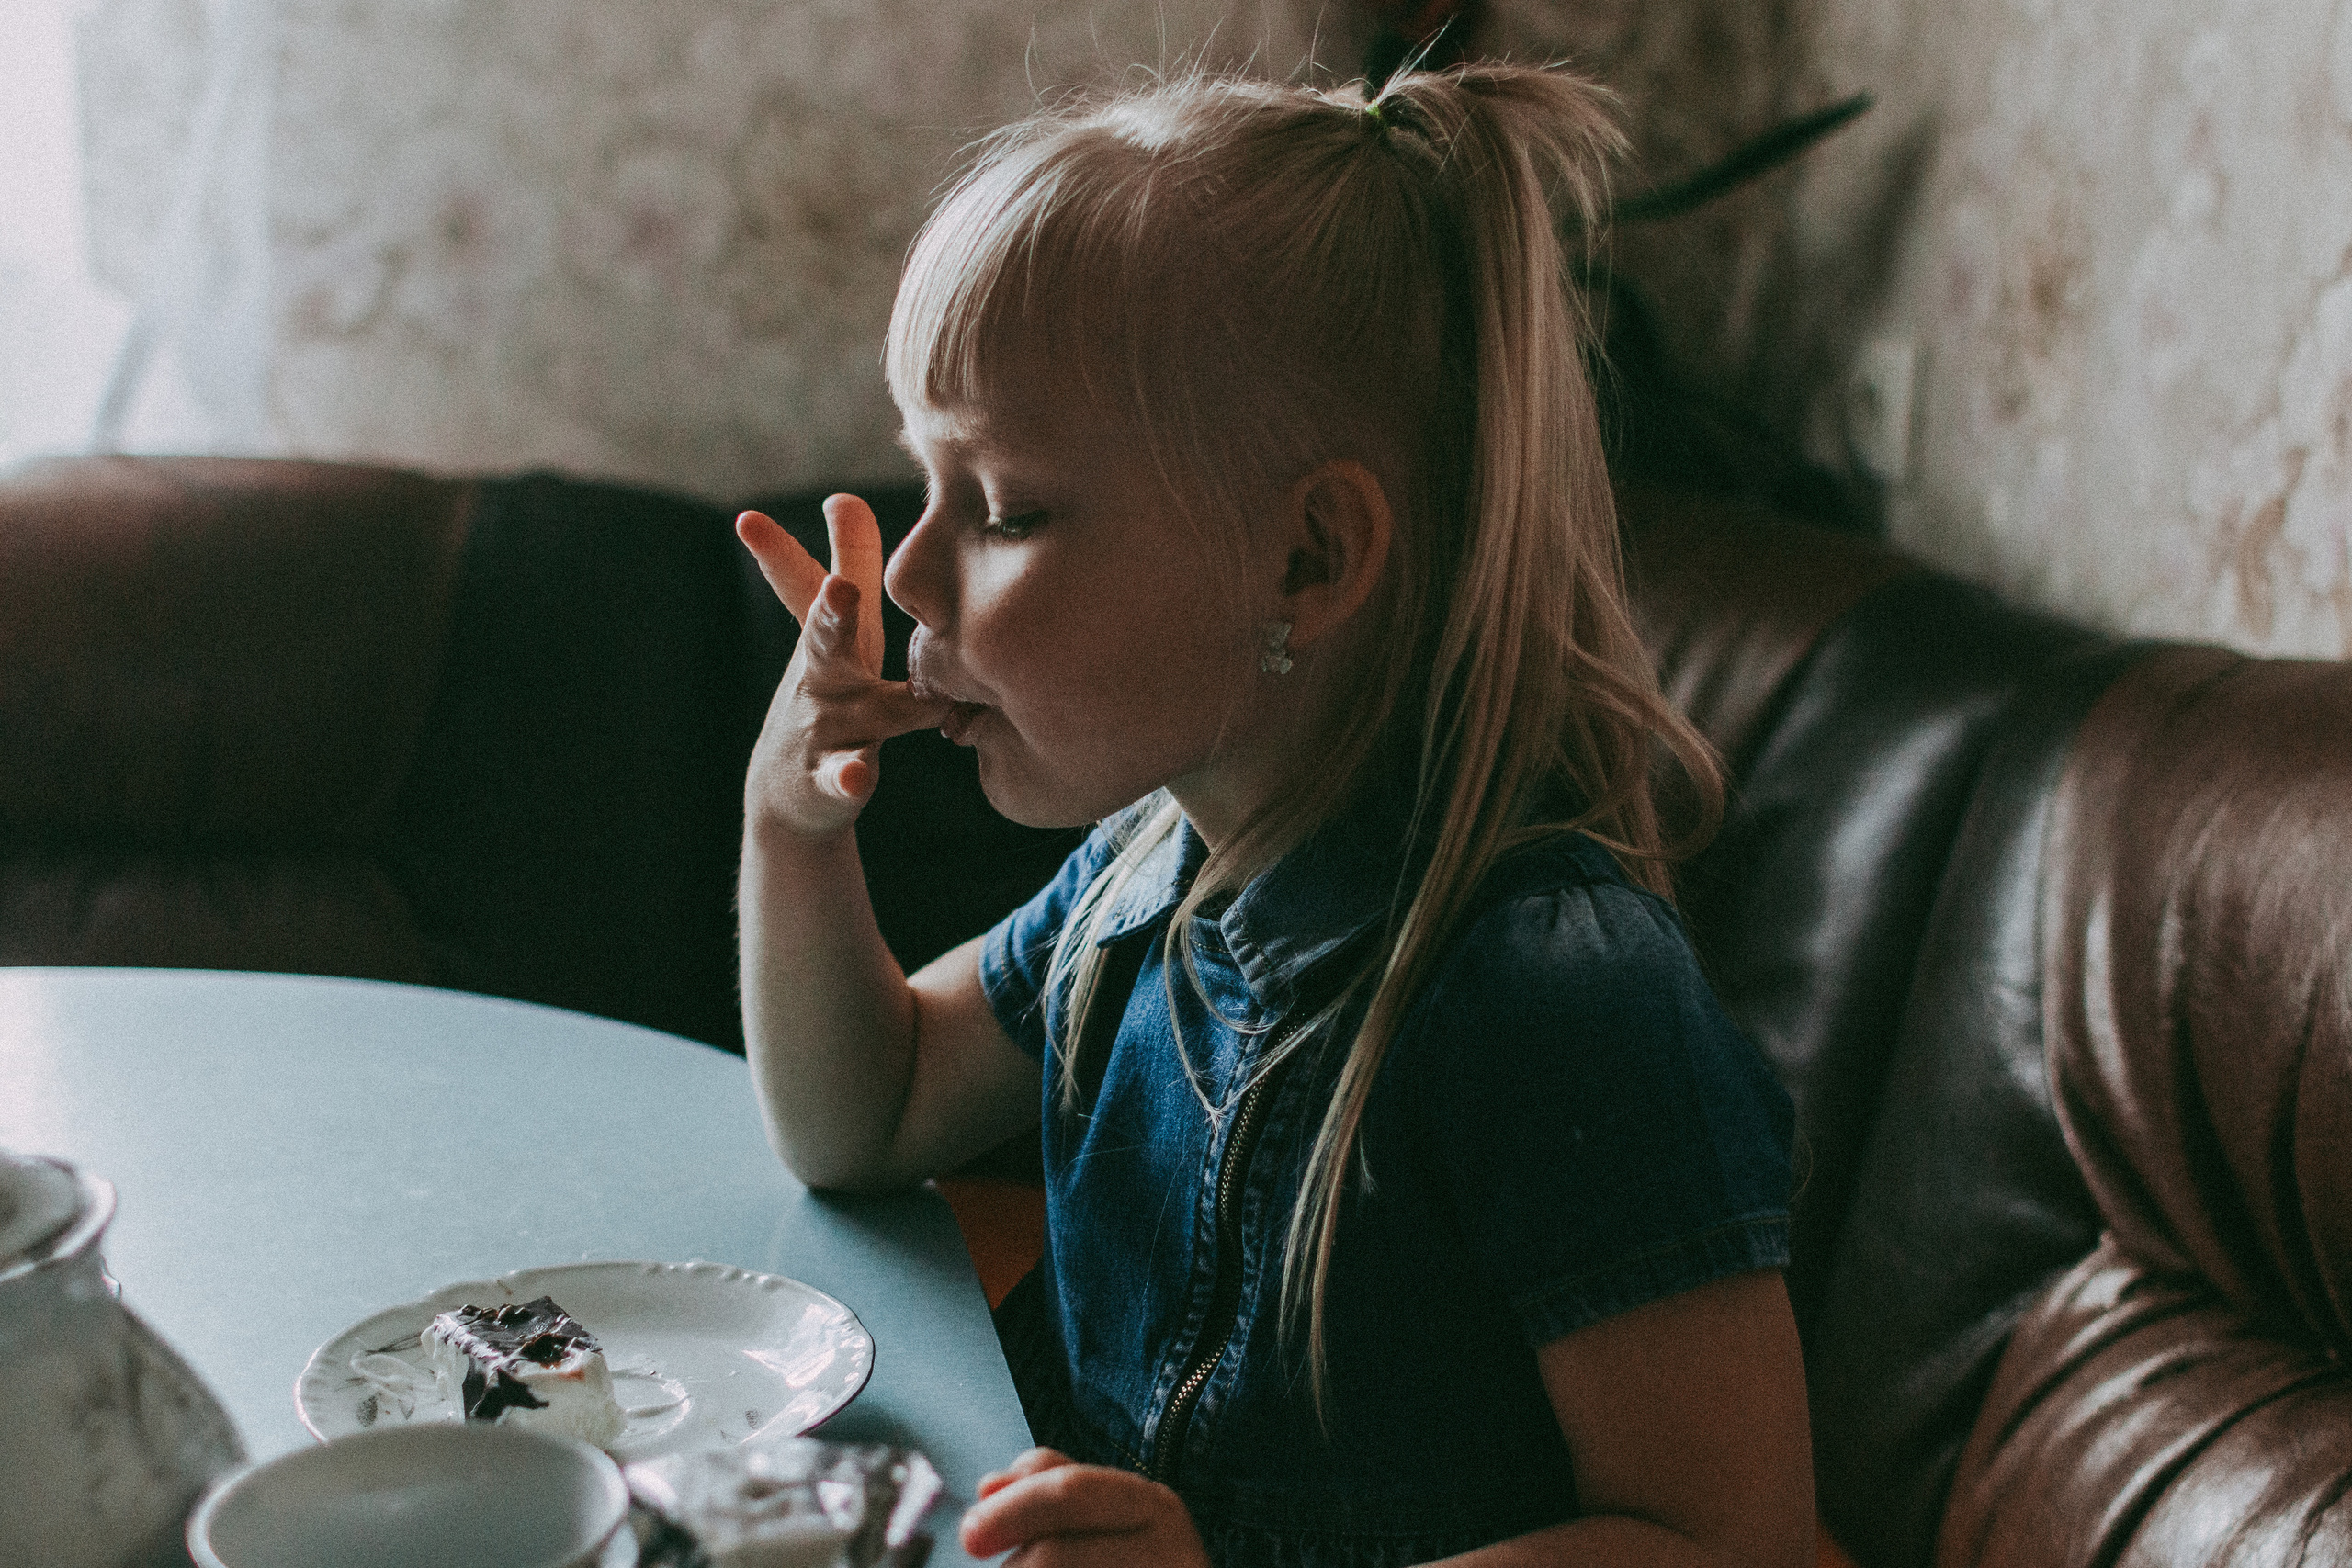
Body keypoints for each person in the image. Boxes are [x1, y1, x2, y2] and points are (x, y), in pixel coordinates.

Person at [734, 63, 1812, 1568]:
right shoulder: (1143, 873)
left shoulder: (1558, 998)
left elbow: (1729, 1543)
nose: (906, 578)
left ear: (1307, 559)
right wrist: (794, 828)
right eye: (926, 480)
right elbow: (868, 1113)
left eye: (1007, 508)